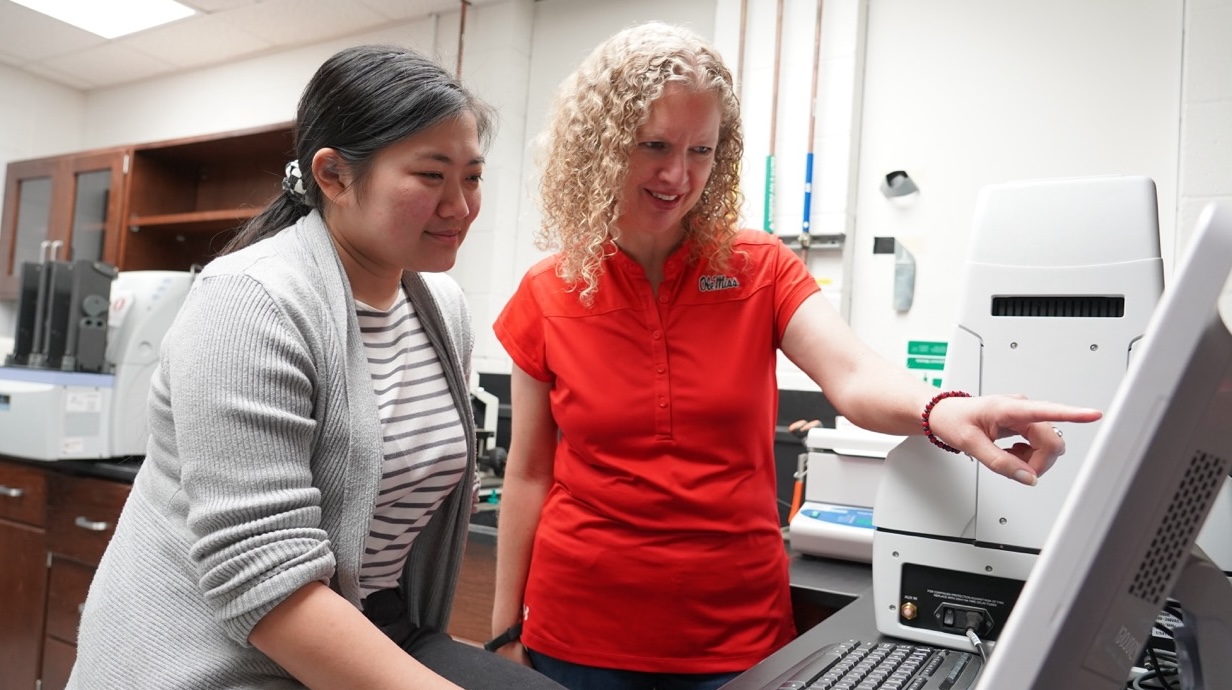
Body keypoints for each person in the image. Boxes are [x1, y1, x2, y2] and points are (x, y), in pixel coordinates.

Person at [489, 21, 1103, 690]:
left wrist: (943, 409)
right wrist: (502, 635)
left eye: (702, 149)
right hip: (577, 636)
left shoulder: (758, 268)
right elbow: (527, 474)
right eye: (655, 146)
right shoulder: (548, 291)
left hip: (735, 640)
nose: (678, 175)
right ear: (603, 147)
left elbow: (853, 372)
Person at [69, 44, 564, 690]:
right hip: (225, 651)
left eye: (471, 177)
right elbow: (263, 581)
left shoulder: (442, 308)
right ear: (332, 176)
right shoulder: (249, 303)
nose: (461, 206)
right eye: (431, 176)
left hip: (371, 621)